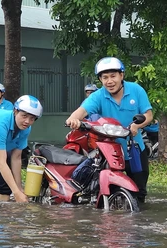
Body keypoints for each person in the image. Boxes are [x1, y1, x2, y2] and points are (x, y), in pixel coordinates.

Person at [65, 57, 153, 203]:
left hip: (134, 148)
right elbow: (80, 111)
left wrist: (136, 126)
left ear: (121, 75)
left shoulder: (136, 90)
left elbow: (148, 115)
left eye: (113, 76)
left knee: (139, 192)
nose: (109, 81)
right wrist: (73, 119)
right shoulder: (98, 96)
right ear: (100, 80)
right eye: (105, 77)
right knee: (104, 189)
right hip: (109, 150)